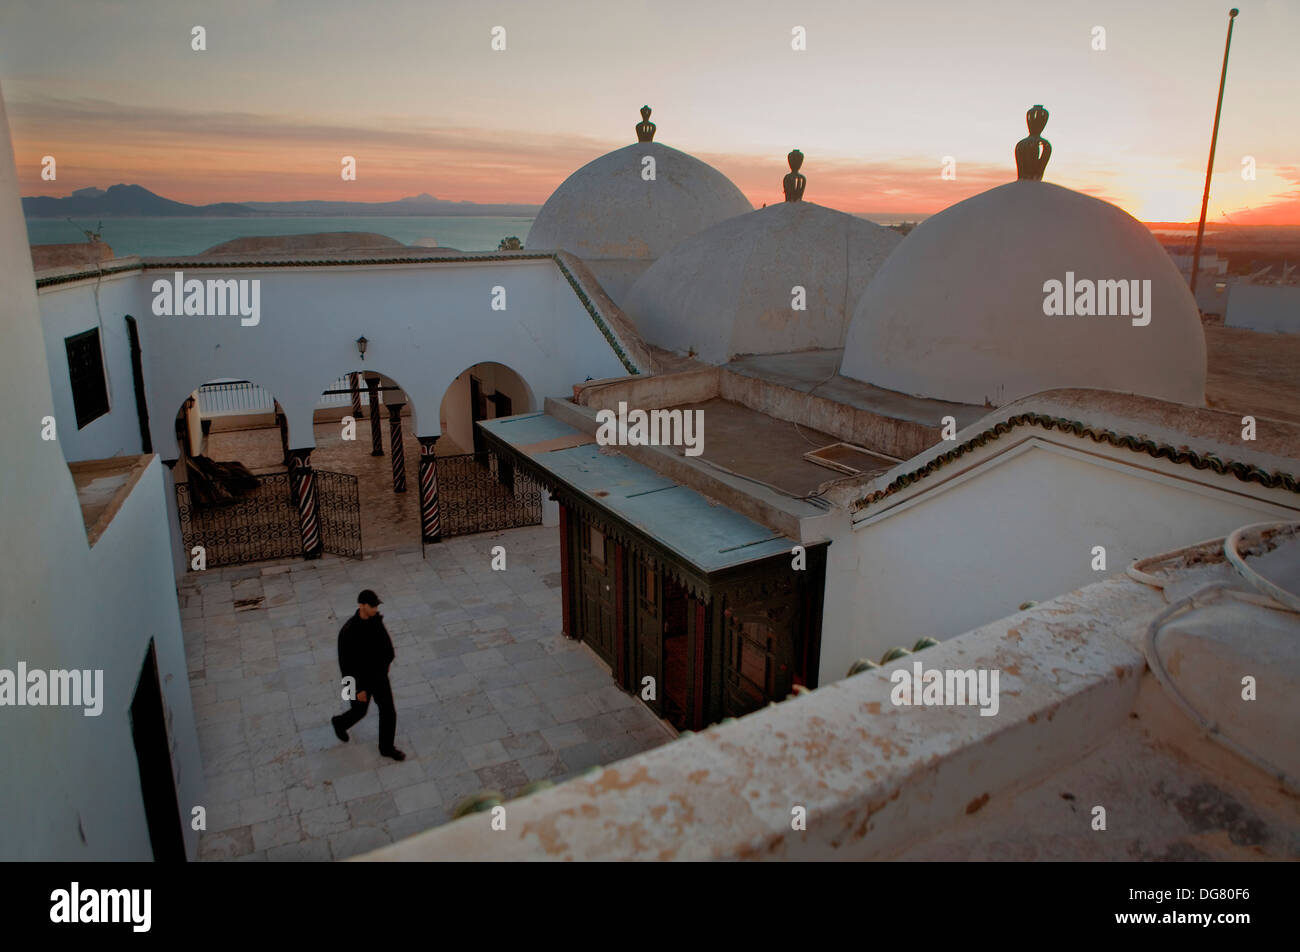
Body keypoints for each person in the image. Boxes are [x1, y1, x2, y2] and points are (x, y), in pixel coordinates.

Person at [330, 589, 405, 761]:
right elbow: (346, 667)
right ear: (361, 606)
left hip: (379, 678)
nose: (376, 609)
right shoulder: (348, 632)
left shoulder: (376, 621)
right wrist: (357, 690)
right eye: (372, 606)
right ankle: (339, 722)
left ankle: (386, 748)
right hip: (357, 682)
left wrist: (383, 668)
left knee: (388, 711)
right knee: (359, 711)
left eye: (376, 606)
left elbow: (388, 650)